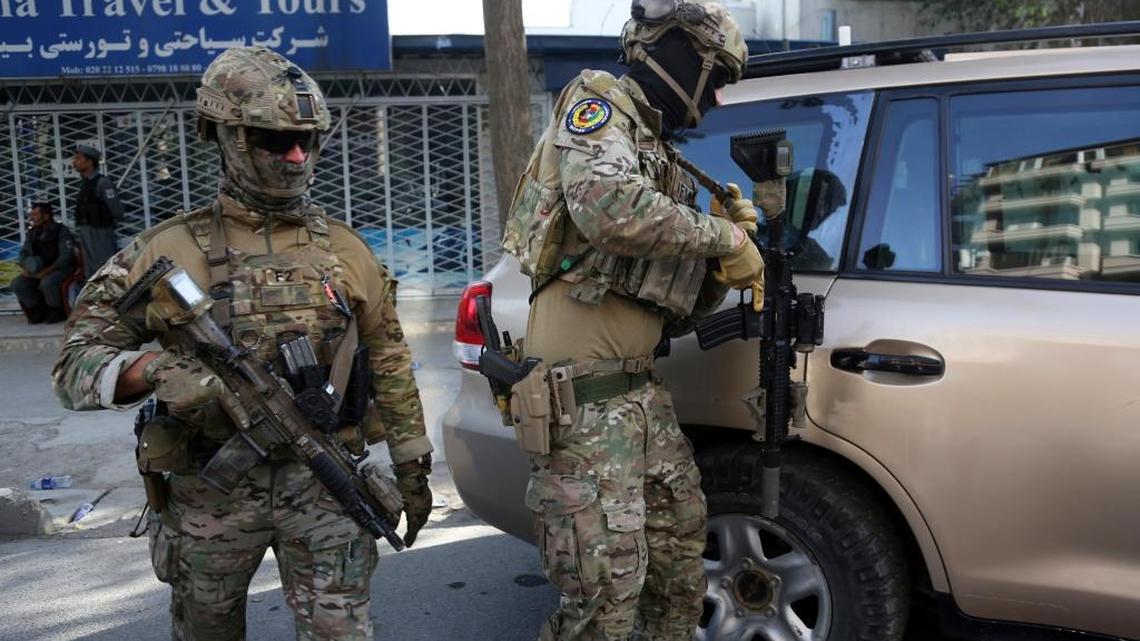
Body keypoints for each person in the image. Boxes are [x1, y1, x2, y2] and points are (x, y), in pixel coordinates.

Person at [52, 47, 433, 641]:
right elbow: (74, 365)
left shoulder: (347, 249)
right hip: (211, 490)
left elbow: (389, 360)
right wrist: (155, 370)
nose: (297, 156)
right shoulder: (166, 251)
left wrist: (412, 467)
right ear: (227, 136)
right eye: (275, 140)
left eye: (307, 140)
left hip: (326, 484)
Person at [499, 2, 765, 639]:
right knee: (603, 603)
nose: (717, 98)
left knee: (678, 575)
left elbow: (673, 311)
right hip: (582, 405)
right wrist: (723, 239)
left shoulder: (659, 158)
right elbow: (608, 210)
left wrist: (718, 268)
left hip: (641, 397)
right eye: (717, 76)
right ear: (682, 52)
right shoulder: (596, 105)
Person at [12, 201, 76, 324]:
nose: (32, 218)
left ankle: (56, 310)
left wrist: (48, 270)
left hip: (59, 269)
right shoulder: (33, 232)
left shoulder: (61, 231)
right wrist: (26, 267)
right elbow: (23, 253)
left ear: (46, 216)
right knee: (17, 283)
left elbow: (66, 256)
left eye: (35, 215)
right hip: (37, 269)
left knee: (47, 283)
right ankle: (37, 308)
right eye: (31, 215)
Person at [71, 142, 125, 279]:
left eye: (78, 158)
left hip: (100, 232)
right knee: (91, 271)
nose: (74, 162)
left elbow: (117, 210)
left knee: (105, 267)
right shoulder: (85, 183)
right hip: (86, 232)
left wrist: (106, 225)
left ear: (89, 162)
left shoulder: (102, 183)